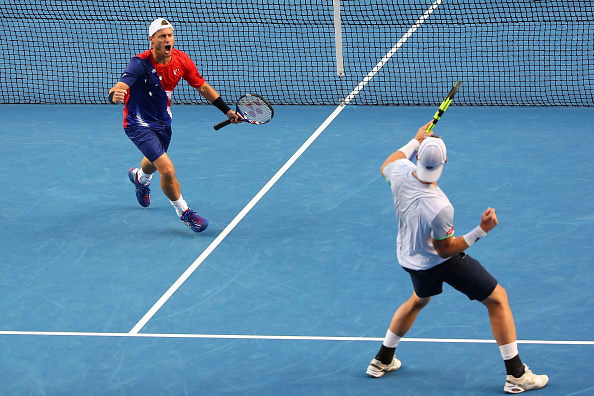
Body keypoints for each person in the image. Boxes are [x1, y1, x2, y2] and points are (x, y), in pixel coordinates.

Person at [366, 122, 549, 394]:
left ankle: (382, 360)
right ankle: (517, 375)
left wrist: (415, 140)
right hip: (436, 261)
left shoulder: (398, 172)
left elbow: (388, 163)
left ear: (416, 158)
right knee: (498, 298)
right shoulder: (440, 206)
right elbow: (446, 250)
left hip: (408, 257)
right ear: (445, 161)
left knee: (419, 299)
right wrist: (481, 231)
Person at [108, 18, 239, 232]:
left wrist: (227, 111)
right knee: (167, 171)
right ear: (152, 40)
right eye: (162, 36)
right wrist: (115, 94)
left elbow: (202, 87)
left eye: (170, 35)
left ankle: (140, 178)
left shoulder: (181, 60)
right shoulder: (139, 63)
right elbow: (120, 85)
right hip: (137, 124)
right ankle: (185, 212)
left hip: (163, 121)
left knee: (155, 159)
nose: (167, 39)